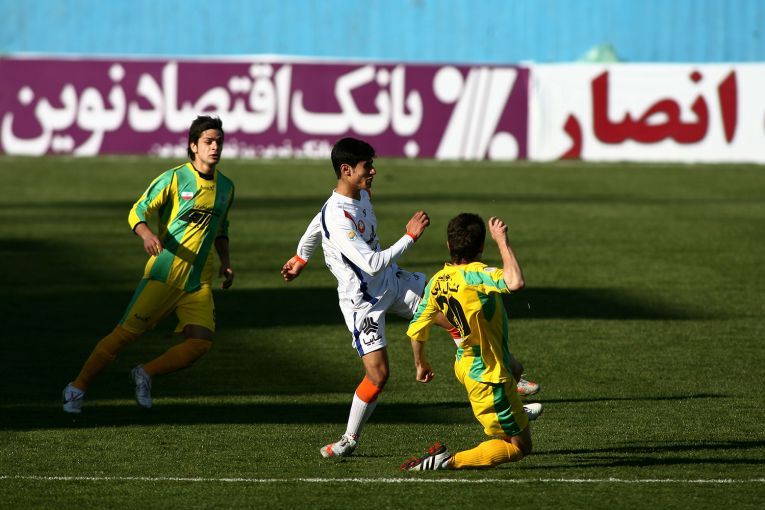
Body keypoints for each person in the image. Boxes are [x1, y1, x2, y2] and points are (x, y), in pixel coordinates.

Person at [62, 115, 235, 413]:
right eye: (208, 141)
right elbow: (137, 211)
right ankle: (77, 387)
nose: (215, 147)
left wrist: (226, 262)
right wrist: (146, 234)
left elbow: (221, 228)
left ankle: (145, 373)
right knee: (123, 336)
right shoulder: (174, 179)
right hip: (165, 274)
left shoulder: (227, 187)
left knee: (201, 343)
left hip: (198, 281)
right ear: (193, 146)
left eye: (219, 142)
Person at [281, 137, 439, 459]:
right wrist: (410, 236)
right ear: (346, 170)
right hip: (363, 303)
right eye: (367, 166)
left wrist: (301, 256)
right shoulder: (338, 218)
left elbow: (315, 223)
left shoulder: (360, 194)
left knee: (450, 307)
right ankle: (349, 439)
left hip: (392, 281)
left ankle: (507, 382)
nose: (373, 171)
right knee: (378, 376)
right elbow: (371, 262)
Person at [402, 213, 539, 470]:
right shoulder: (476, 275)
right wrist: (502, 241)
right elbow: (515, 282)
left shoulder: (437, 281)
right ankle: (447, 461)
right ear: (481, 247)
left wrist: (420, 363)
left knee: (515, 368)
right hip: (488, 376)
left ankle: (515, 410)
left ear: (448, 245)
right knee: (520, 446)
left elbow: (416, 328)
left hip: (466, 364)